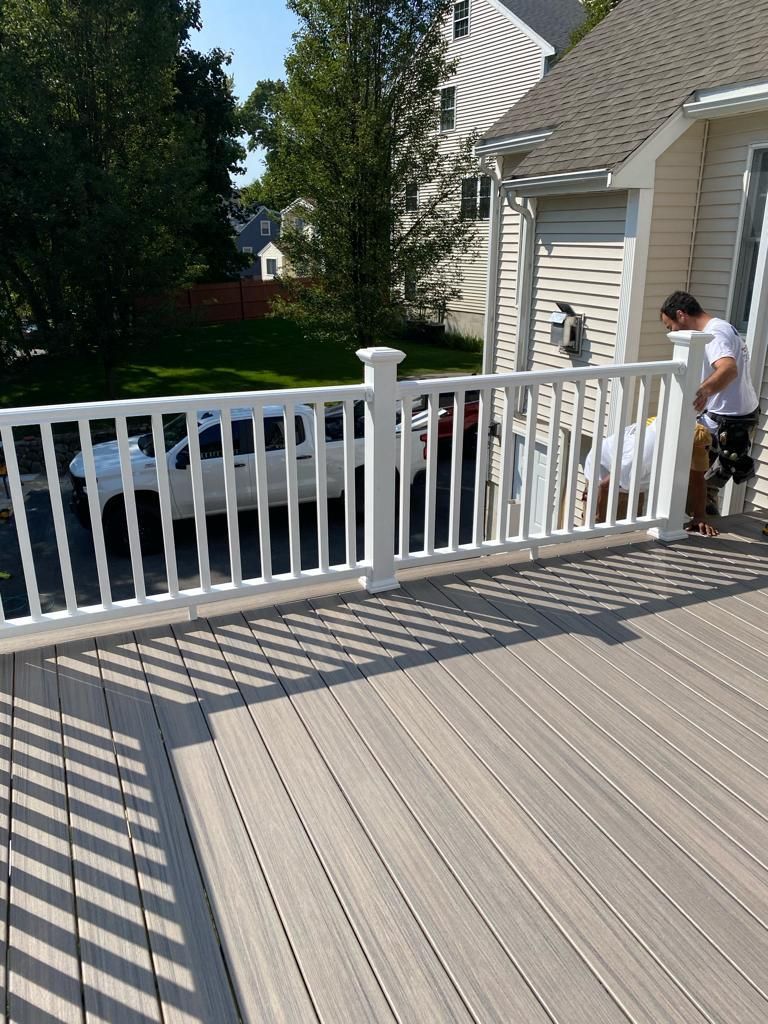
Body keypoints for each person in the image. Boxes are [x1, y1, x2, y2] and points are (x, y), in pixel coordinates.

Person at [660, 292, 760, 510]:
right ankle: (701, 521)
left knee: (695, 491)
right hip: (733, 418)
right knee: (701, 489)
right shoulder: (721, 326)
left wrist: (704, 390)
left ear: (681, 314)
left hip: (727, 422)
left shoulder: (714, 332)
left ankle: (700, 528)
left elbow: (728, 368)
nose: (673, 333)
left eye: (671, 327)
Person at [584, 416, 717, 536]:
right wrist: (597, 528)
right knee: (606, 536)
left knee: (629, 534)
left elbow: (698, 480)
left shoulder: (691, 435)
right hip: (605, 474)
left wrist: (700, 517)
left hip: (633, 479)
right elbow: (605, 486)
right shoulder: (645, 454)